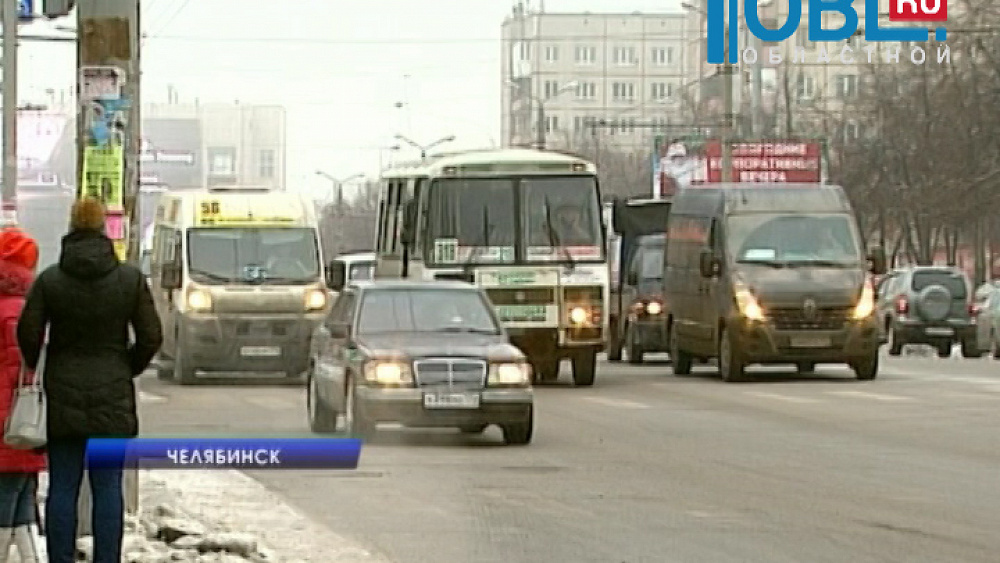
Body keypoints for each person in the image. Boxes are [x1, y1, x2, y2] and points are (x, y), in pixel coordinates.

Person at [16, 198, 163, 563]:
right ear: (103, 229)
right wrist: (125, 366)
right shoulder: (128, 279)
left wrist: (43, 365)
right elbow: (151, 336)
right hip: (112, 392)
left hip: (63, 394)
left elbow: (28, 333)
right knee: (107, 486)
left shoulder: (51, 280)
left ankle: (61, 559)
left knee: (63, 486)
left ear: (71, 226)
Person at [0, 228, 45, 563]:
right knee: (22, 497)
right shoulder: (32, 310)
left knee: (7, 497)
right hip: (27, 415)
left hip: (5, 418)